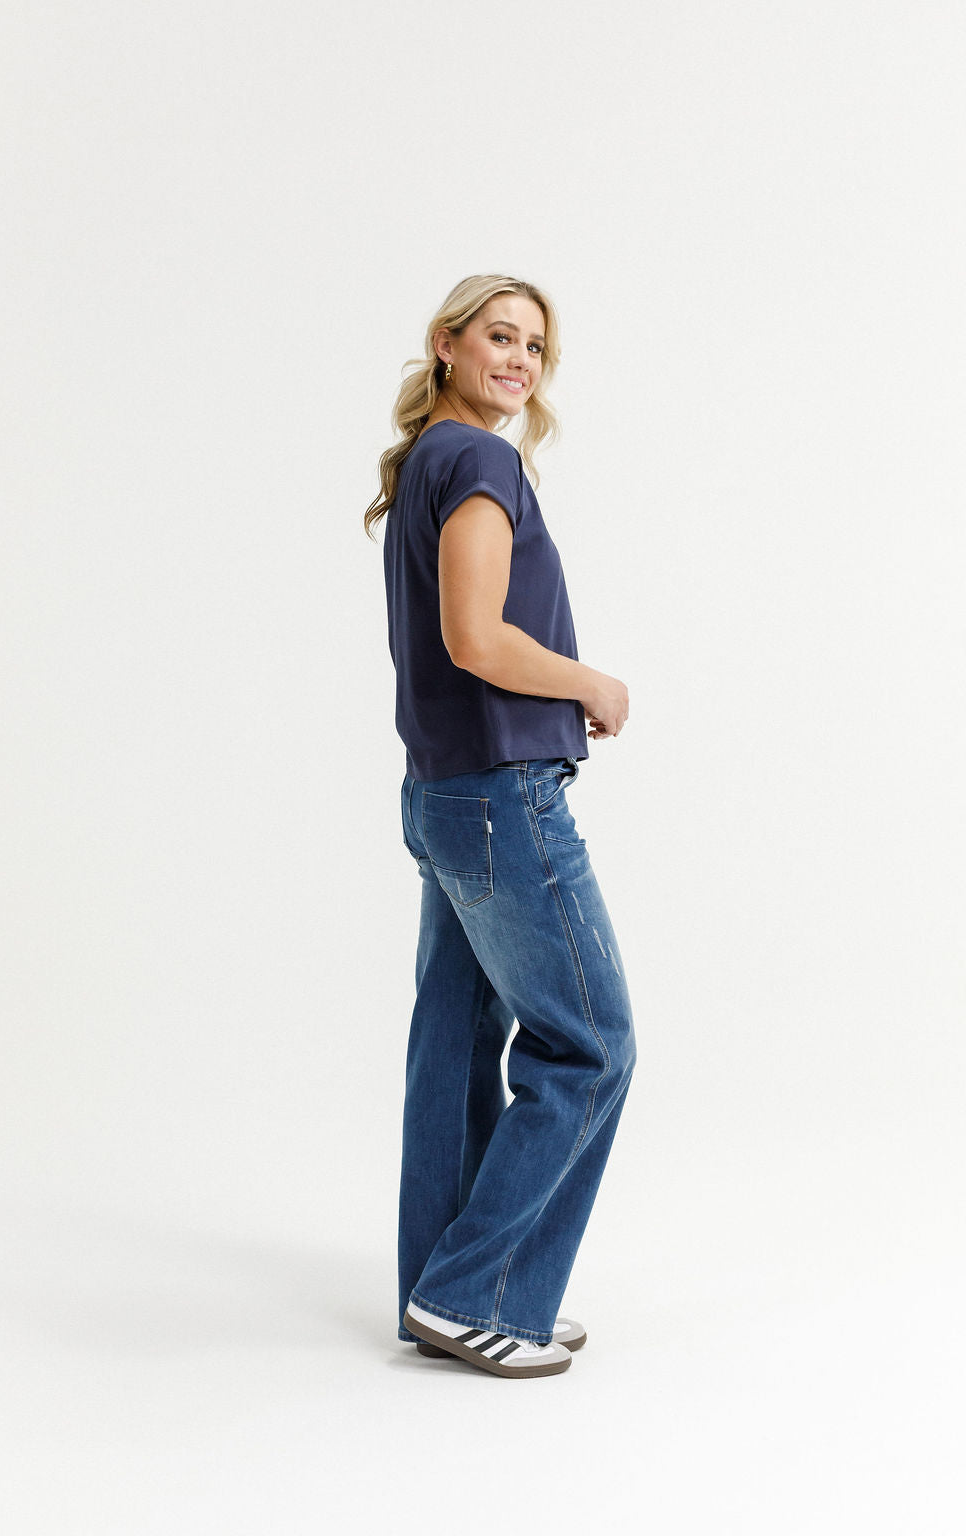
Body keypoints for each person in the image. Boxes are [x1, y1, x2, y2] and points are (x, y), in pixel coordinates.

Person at [363, 274, 637, 1379]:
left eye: (535, 346)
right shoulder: (477, 461)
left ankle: (454, 1289)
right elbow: (475, 638)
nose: (520, 361)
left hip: (444, 795)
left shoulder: (429, 462)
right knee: (591, 1045)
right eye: (500, 336)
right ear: (447, 343)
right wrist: (590, 682)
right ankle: (475, 1290)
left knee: (458, 1043)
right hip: (499, 797)